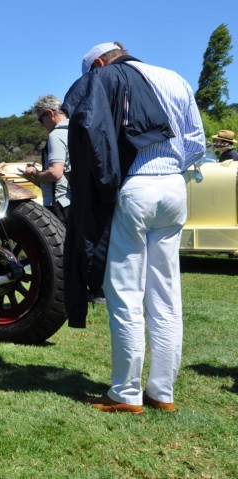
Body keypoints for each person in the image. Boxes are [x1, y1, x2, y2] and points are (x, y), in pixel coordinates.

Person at [63, 42, 206, 414]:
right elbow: (196, 143)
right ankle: (162, 392)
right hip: (175, 187)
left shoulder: (106, 77)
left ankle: (125, 393)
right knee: (166, 294)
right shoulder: (175, 77)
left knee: (126, 293)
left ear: (98, 63)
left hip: (135, 186)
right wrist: (169, 168)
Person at [25, 95, 71, 224]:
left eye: (41, 120)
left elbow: (55, 173)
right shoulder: (76, 130)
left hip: (59, 204)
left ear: (50, 113)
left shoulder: (56, 135)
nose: (41, 125)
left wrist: (34, 173)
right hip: (76, 201)